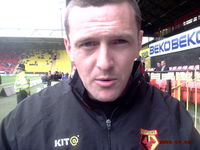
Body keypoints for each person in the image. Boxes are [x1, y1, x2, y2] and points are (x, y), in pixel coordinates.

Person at [0, 0, 200, 150]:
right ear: (69, 48)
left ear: (139, 43)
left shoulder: (175, 118)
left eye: (120, 41)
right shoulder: (22, 124)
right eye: (87, 44)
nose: (104, 63)